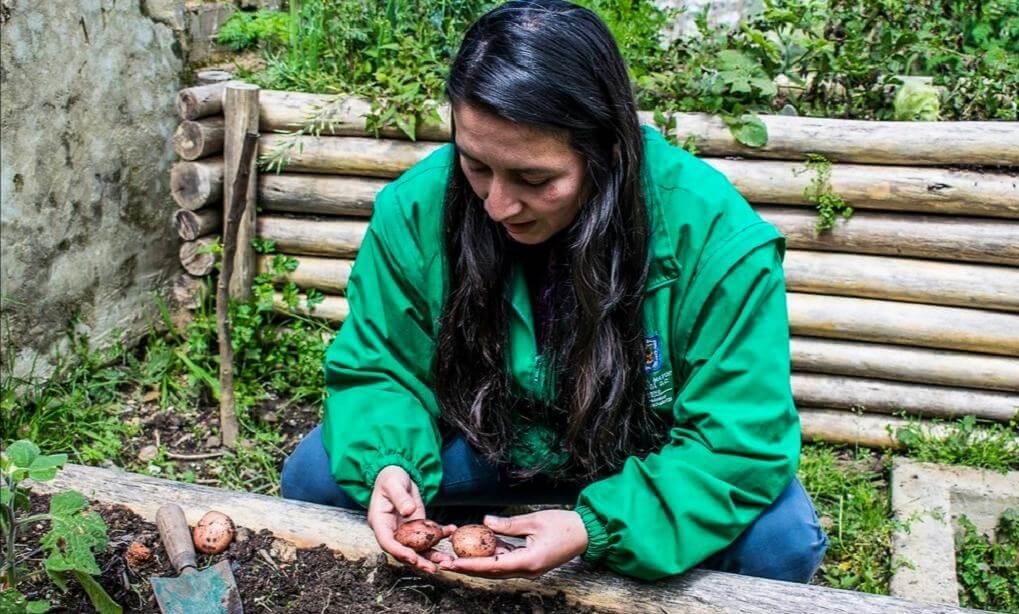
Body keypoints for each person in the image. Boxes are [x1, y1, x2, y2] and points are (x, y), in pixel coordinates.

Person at [281, 0, 828, 583]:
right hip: (495, 440)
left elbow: (737, 441)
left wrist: (596, 526)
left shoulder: (713, 236)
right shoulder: (415, 209)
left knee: (780, 545)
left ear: (609, 150)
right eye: (475, 165)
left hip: (641, 455)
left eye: (534, 179)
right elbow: (380, 366)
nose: (496, 205)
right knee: (317, 475)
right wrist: (389, 460)